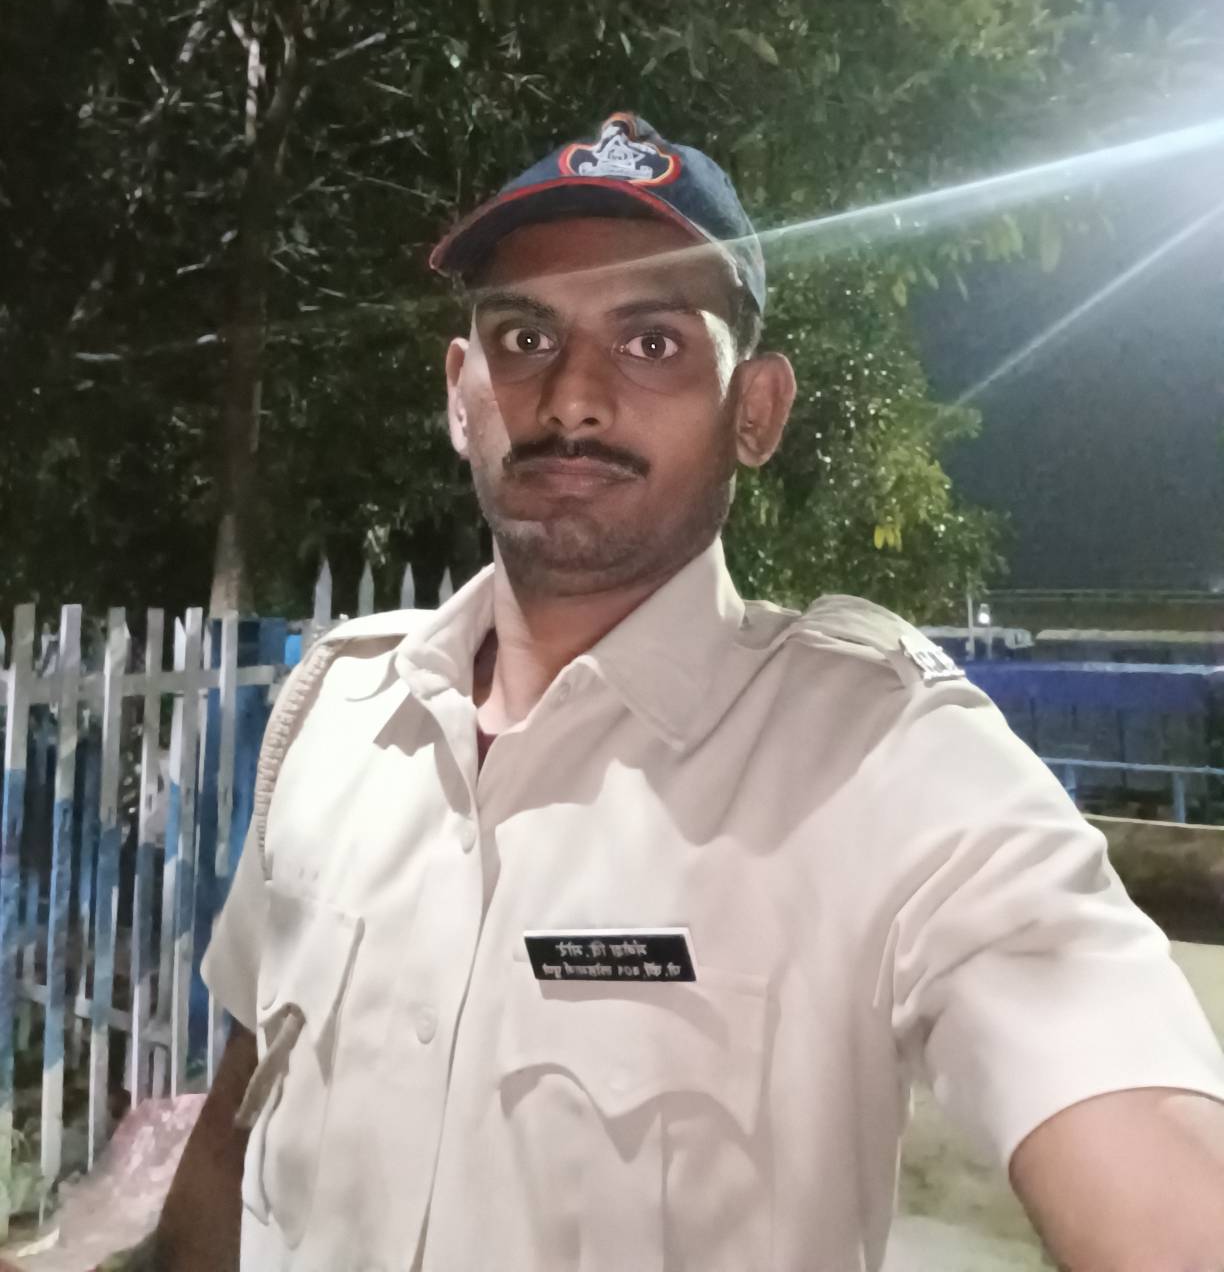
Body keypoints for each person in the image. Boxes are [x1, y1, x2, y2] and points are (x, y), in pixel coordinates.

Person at [158, 112, 1224, 1272]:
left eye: (652, 342)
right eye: (525, 336)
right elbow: (234, 1133)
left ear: (754, 411)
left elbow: (1150, 1152)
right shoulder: (340, 714)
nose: (572, 398)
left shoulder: (883, 760)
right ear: (462, 393)